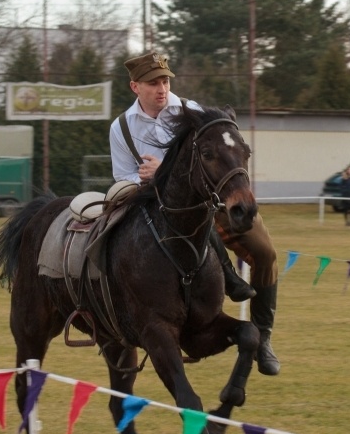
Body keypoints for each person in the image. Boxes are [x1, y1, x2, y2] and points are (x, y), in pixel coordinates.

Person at [109, 52, 281, 375]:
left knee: (266, 253)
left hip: (213, 204)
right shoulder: (120, 128)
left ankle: (264, 336)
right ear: (135, 86)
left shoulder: (195, 113)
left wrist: (163, 170)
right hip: (158, 214)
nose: (162, 88)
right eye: (153, 83)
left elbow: (223, 154)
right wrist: (148, 178)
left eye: (165, 81)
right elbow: (123, 178)